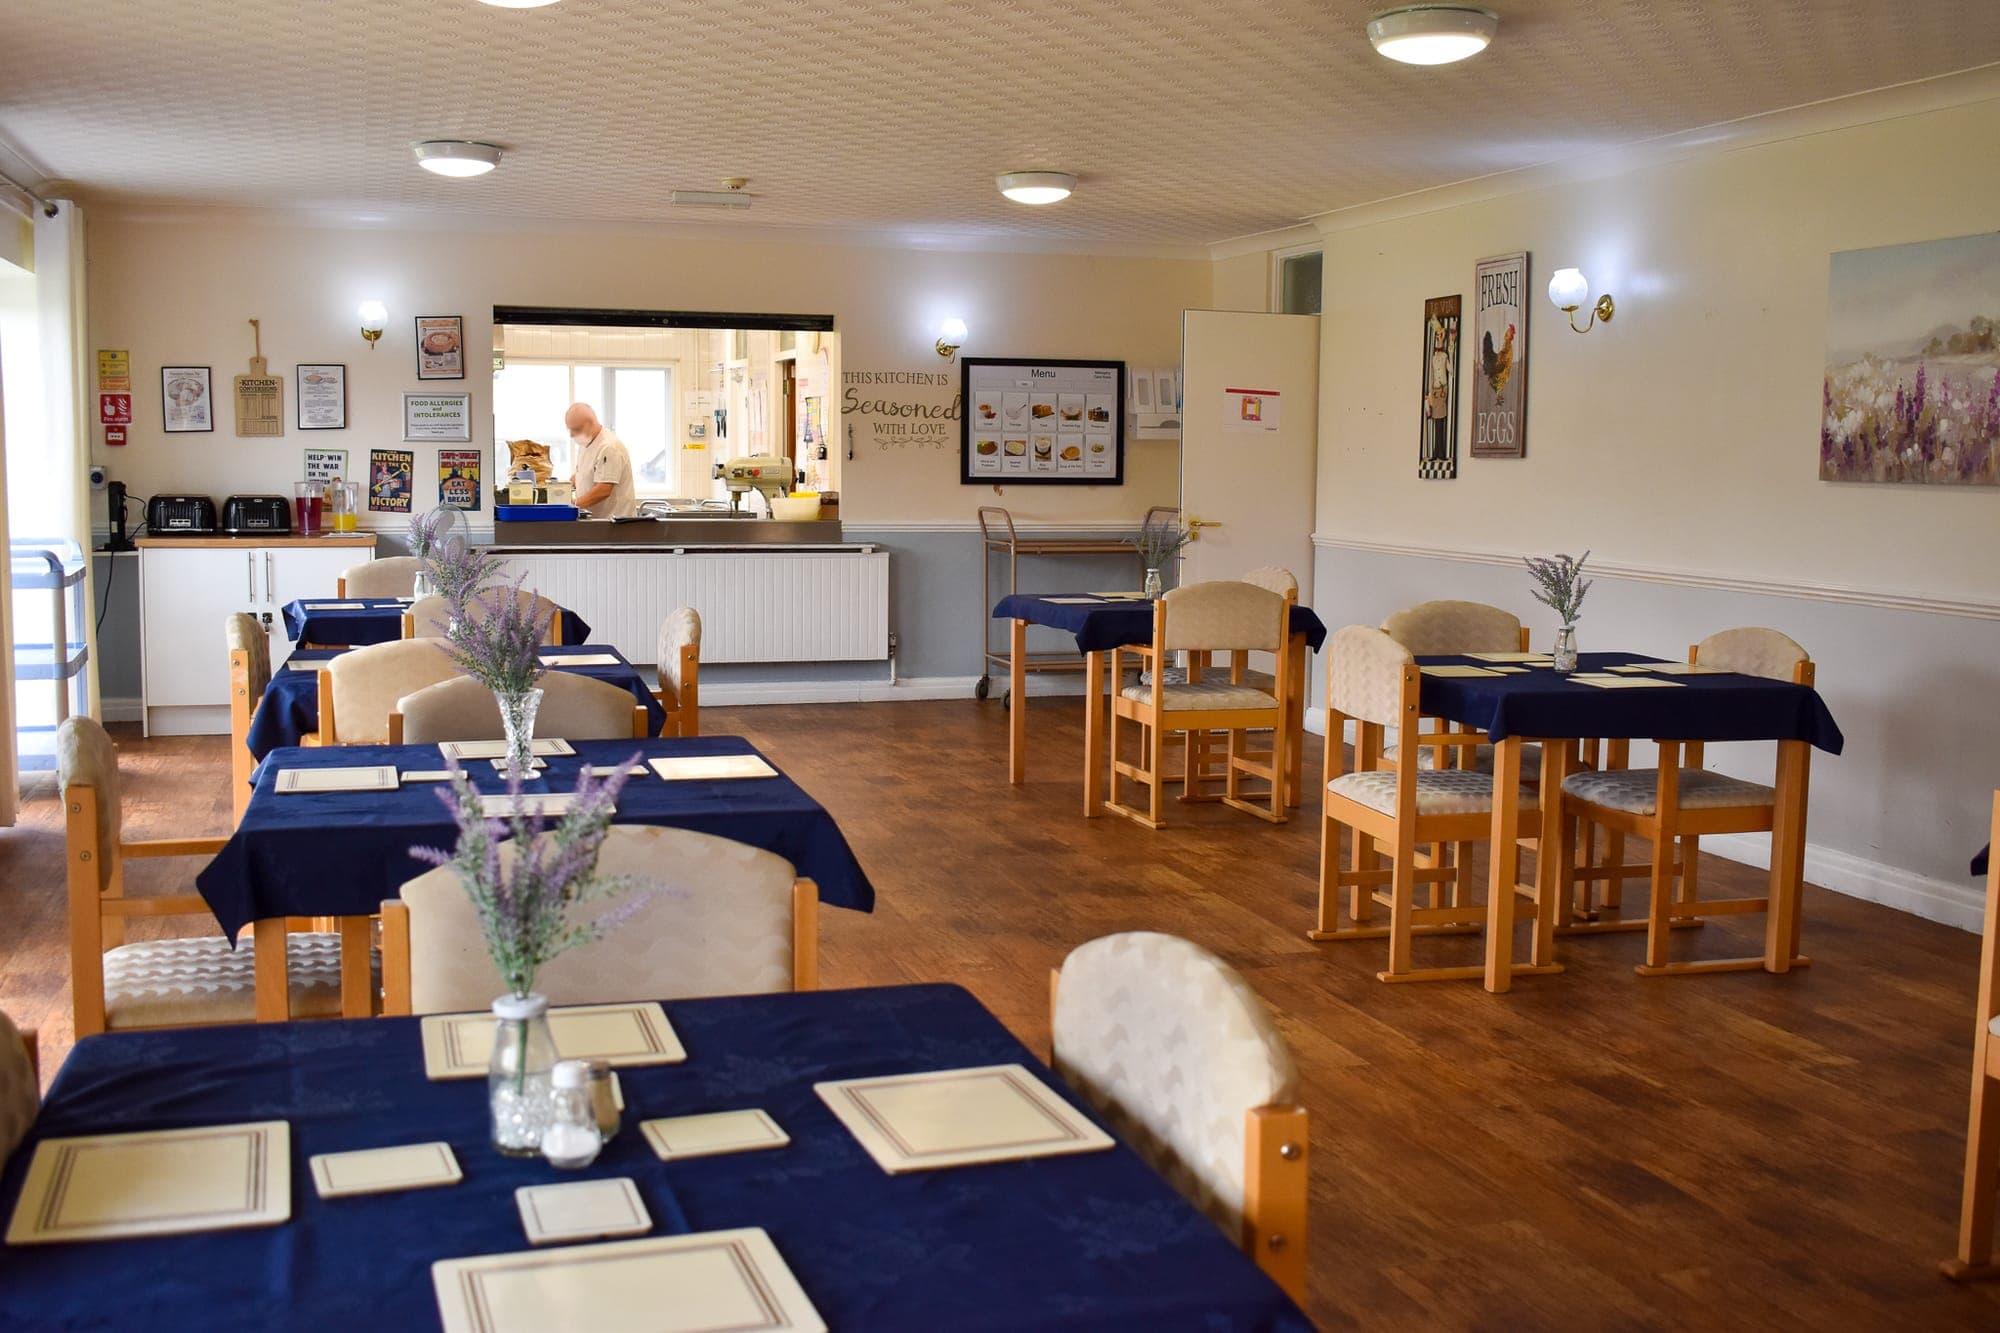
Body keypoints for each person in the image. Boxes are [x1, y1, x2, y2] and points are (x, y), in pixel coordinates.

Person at [564, 402, 636, 518]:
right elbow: (582, 474)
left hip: (614, 525)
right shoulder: (586, 444)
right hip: (596, 523)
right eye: (570, 429)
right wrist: (561, 488)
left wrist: (571, 506)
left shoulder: (609, 447)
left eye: (575, 429)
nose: (572, 435)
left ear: (590, 424)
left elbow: (603, 490)